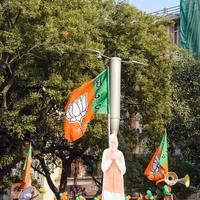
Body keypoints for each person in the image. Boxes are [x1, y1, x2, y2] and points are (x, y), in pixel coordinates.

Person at [101, 134, 126, 200]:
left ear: (117, 142)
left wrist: (117, 160)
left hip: (118, 186)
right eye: (111, 142)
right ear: (109, 142)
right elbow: (103, 168)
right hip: (108, 186)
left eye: (114, 142)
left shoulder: (120, 154)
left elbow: (123, 170)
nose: (113, 144)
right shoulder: (106, 152)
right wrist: (110, 160)